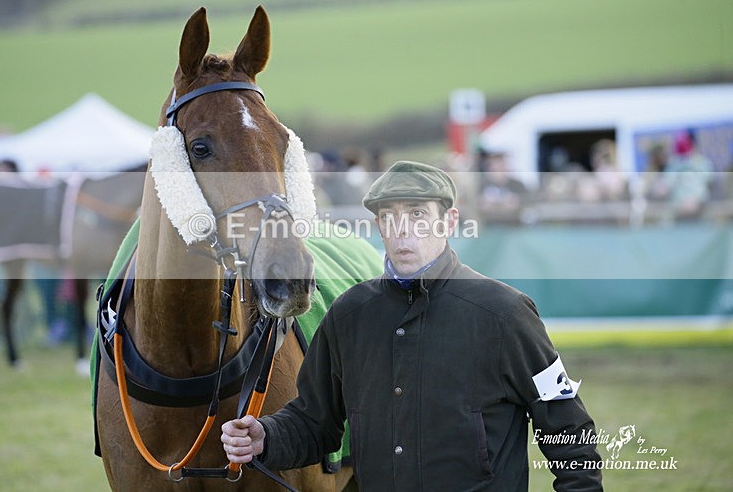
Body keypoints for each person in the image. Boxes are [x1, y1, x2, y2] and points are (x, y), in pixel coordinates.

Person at [221, 161, 603, 491]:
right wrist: (265, 437)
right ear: (379, 226)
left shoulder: (505, 313)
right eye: (390, 216)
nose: (402, 228)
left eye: (417, 213)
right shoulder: (349, 315)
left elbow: (569, 431)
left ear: (449, 221)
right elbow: (314, 422)